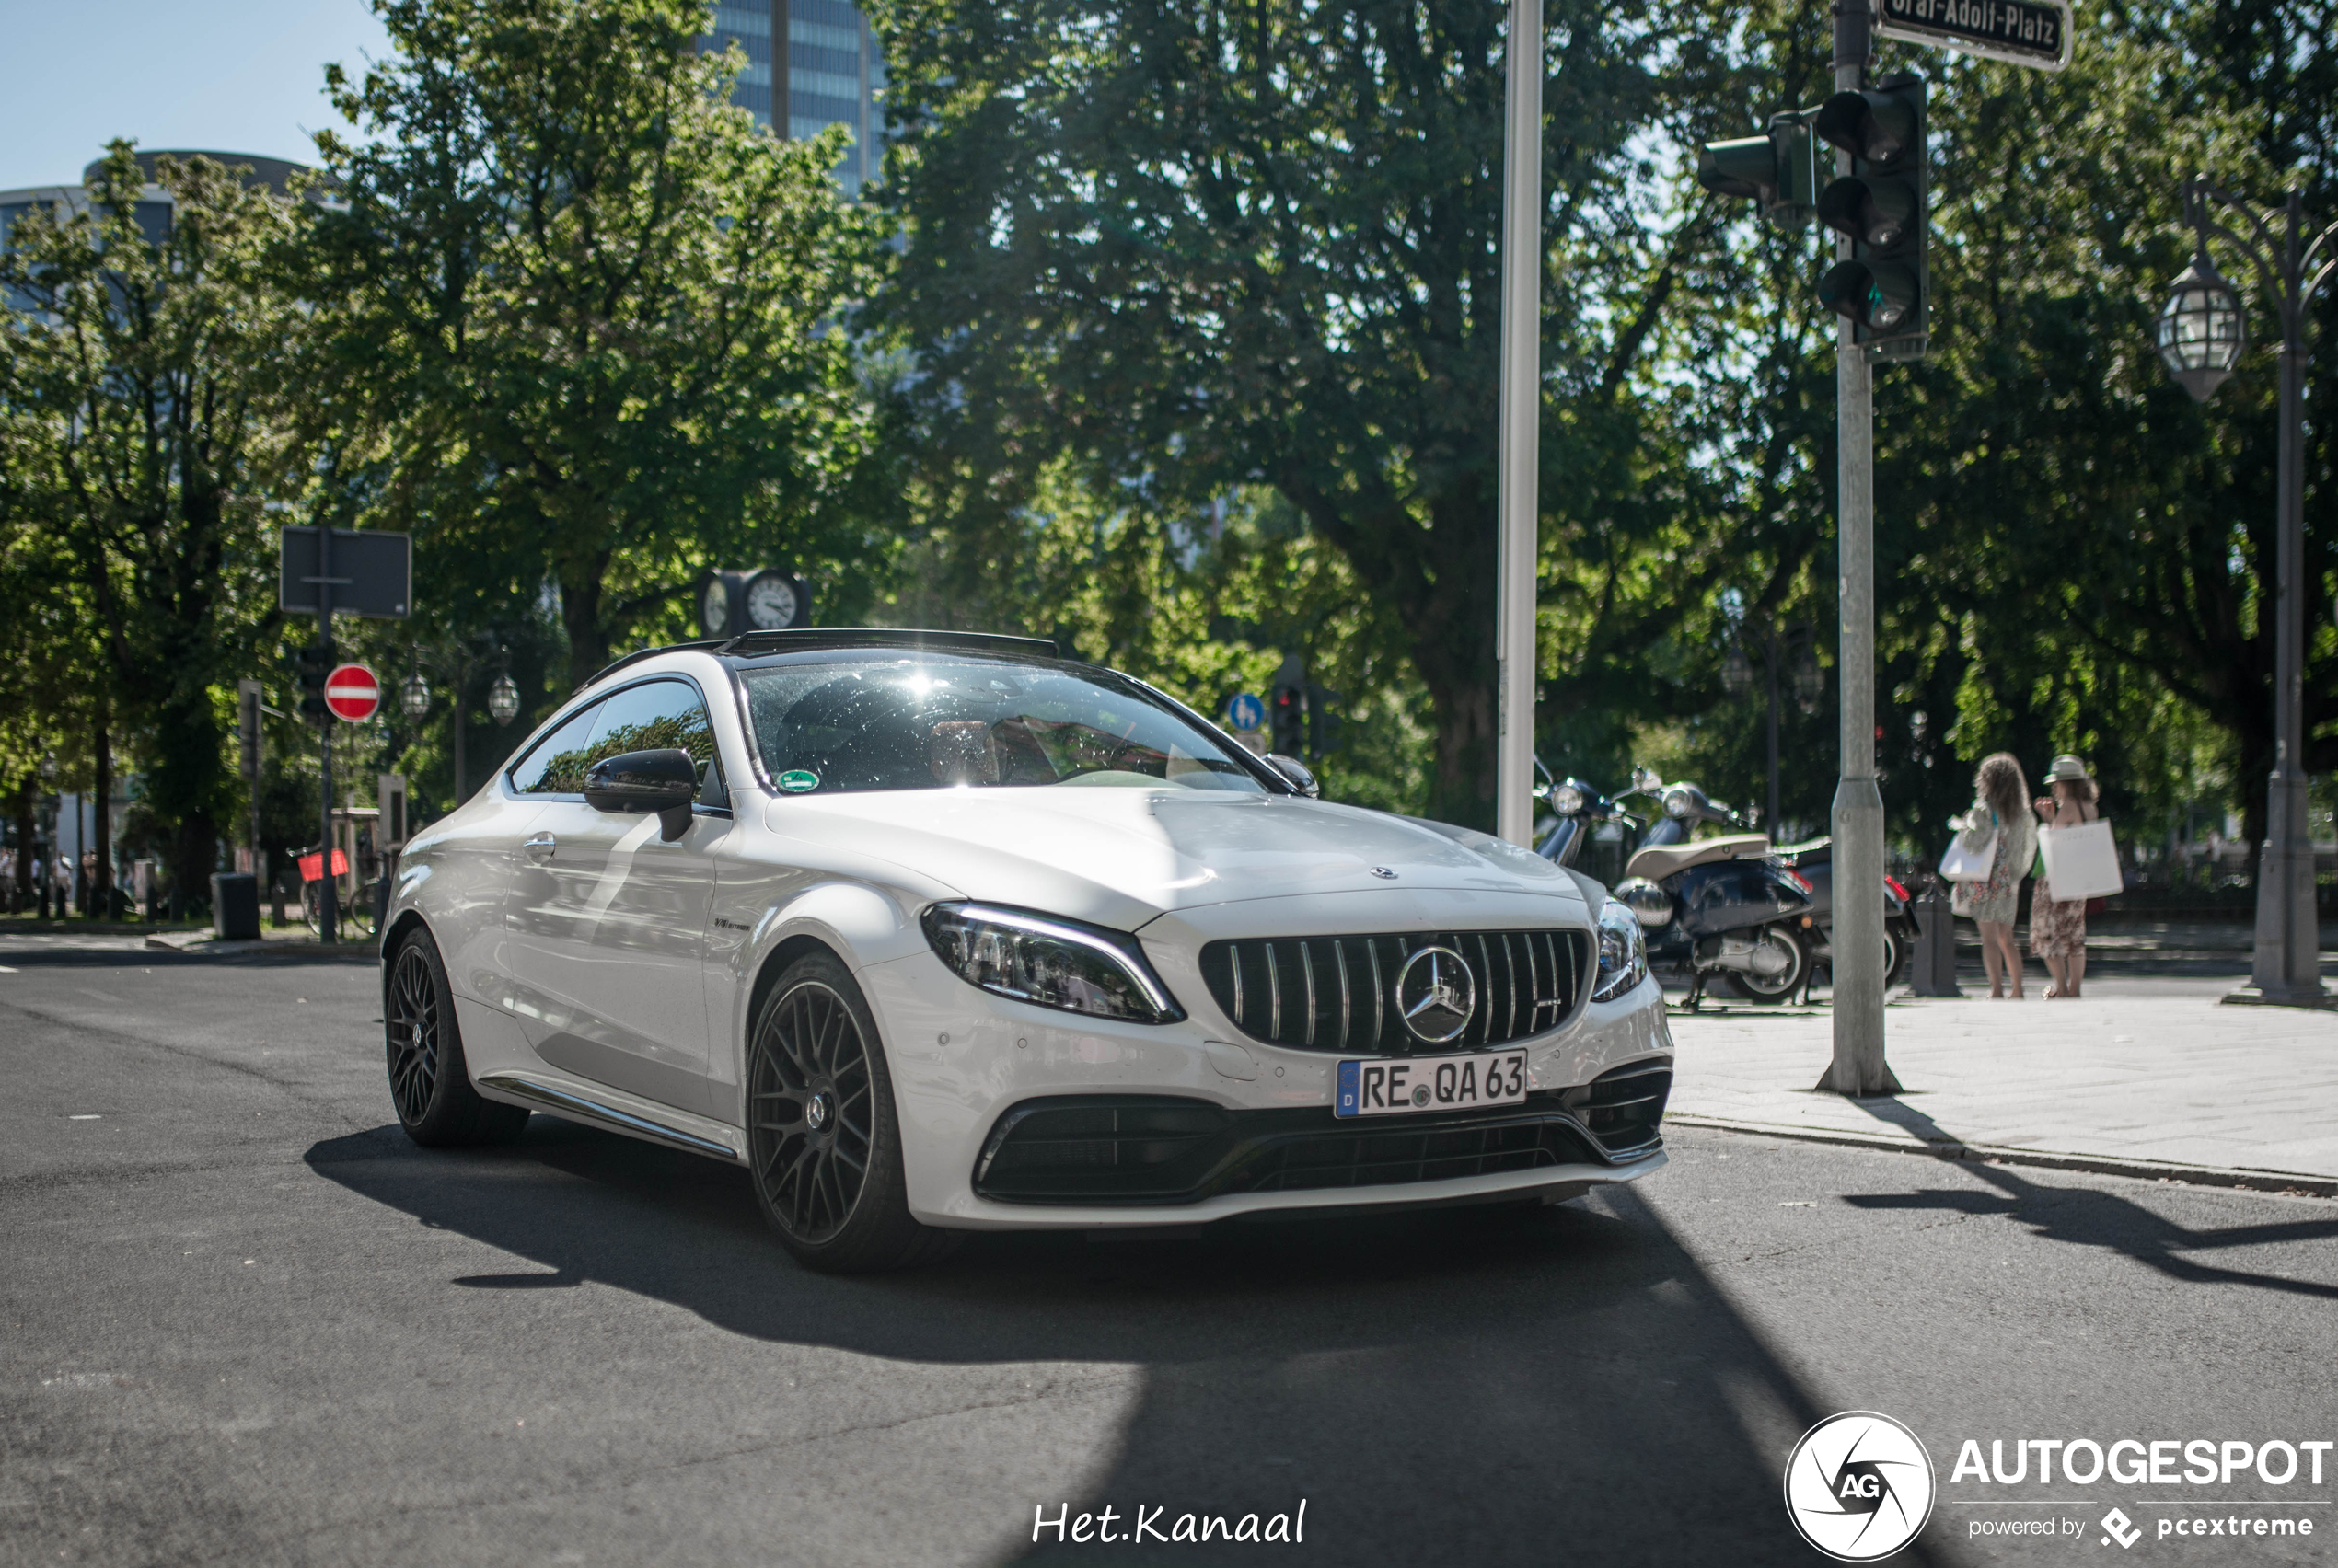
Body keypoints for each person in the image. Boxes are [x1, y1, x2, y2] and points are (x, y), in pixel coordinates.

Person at [1951, 752, 2036, 998]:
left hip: (1985, 881)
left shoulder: (1983, 809)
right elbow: (2026, 850)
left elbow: (1974, 843)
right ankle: (2018, 989)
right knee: (2007, 938)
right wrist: (2014, 875)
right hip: (2009, 882)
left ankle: (1997, 989)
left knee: (1988, 939)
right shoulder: (2023, 814)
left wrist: (1965, 826)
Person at [2030, 754, 2100, 997]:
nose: (2054, 787)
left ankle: (2062, 987)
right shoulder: (2090, 808)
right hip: (2078, 879)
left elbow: (2054, 841)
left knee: (2047, 934)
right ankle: (2075, 989)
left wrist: (2047, 819)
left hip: (2056, 879)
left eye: (2056, 783)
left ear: (2066, 783)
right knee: (2074, 936)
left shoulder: (2069, 806)